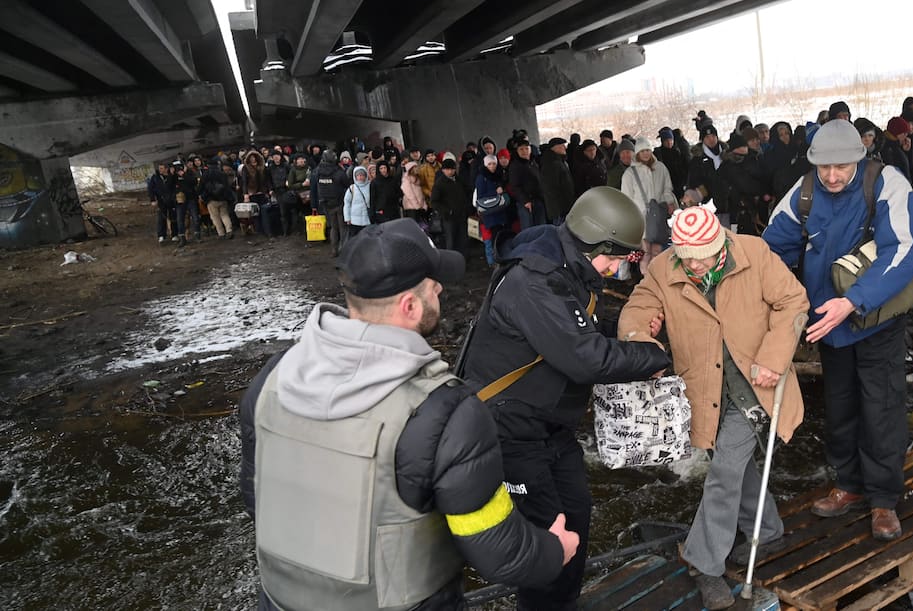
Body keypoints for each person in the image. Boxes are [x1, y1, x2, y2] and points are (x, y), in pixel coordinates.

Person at [238, 219, 577, 611]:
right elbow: (495, 549)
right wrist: (554, 550)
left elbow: (257, 496)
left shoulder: (273, 378)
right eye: (434, 287)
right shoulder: (447, 412)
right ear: (410, 305)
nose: (441, 291)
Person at [457, 187, 672, 610]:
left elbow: (581, 326)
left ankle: (563, 603)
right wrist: (652, 356)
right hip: (508, 430)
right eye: (614, 258)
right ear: (593, 242)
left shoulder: (567, 267)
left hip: (549, 427)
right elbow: (584, 358)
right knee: (545, 538)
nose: (614, 270)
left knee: (576, 514)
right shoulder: (534, 280)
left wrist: (628, 331)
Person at [618, 206, 809, 610]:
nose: (697, 265)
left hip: (755, 384)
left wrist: (774, 359)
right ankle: (770, 530)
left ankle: (702, 561)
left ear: (721, 241)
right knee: (737, 465)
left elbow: (792, 301)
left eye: (704, 256)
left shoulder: (753, 252)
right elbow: (637, 310)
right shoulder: (664, 267)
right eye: (688, 259)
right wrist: (642, 339)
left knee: (724, 470)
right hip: (703, 386)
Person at [762, 119, 913, 542]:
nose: (832, 177)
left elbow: (906, 249)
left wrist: (853, 301)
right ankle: (849, 485)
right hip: (826, 324)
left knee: (882, 407)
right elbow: (769, 250)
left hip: (875, 318)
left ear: (860, 157)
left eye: (842, 168)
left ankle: (884, 499)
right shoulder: (803, 192)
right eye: (824, 168)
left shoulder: (886, 183)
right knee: (839, 407)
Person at [620, 137, 678, 272]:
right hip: (640, 218)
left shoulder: (661, 168)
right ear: (637, 153)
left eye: (648, 150)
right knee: (646, 252)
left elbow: (667, 188)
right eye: (642, 151)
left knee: (657, 251)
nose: (645, 153)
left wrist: (667, 201)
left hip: (658, 215)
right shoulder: (630, 173)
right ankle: (647, 283)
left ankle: (657, 281)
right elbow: (626, 199)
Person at [687, 123, 732, 226]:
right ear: (702, 140)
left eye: (713, 136)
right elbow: (693, 182)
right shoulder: (697, 159)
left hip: (729, 203)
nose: (711, 139)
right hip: (709, 204)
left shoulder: (727, 155)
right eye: (707, 137)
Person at [474, 154, 509, 267]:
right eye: (489, 164)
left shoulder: (498, 175)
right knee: (494, 236)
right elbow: (481, 197)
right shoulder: (481, 177)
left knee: (500, 234)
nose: (492, 166)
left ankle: (500, 256)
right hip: (490, 212)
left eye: (494, 163)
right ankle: (495, 259)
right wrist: (496, 192)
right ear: (485, 164)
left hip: (499, 210)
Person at [314, 149, 351, 256]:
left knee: (333, 228)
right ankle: (344, 250)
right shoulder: (338, 172)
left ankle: (334, 250)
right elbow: (347, 184)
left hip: (326, 203)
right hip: (339, 202)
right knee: (342, 227)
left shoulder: (318, 172)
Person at [431, 159, 469, 254]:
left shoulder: (459, 180)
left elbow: (466, 193)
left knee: (462, 240)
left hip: (461, 215)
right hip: (449, 218)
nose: (450, 171)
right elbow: (434, 202)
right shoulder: (439, 183)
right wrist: (447, 211)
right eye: (447, 169)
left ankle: (463, 260)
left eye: (452, 169)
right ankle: (452, 261)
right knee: (451, 241)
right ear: (443, 170)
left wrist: (466, 208)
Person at [510, 139, 547, 229]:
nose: (524, 151)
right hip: (526, 203)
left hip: (538, 199)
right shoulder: (515, 165)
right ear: (517, 151)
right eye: (521, 149)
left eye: (526, 149)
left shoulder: (533, 162)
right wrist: (525, 201)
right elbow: (515, 186)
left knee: (541, 226)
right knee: (529, 229)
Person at [540, 137, 576, 225]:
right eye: (562, 146)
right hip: (560, 208)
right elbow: (551, 187)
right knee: (560, 232)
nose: (565, 147)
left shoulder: (559, 161)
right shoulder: (551, 163)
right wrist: (562, 206)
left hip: (563, 205)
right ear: (555, 148)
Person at [201, 158, 236, 240]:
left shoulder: (205, 175)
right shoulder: (222, 174)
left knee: (215, 217)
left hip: (211, 200)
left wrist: (202, 196)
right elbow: (227, 186)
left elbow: (200, 187)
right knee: (224, 215)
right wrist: (229, 197)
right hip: (222, 198)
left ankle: (221, 234)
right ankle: (229, 230)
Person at [147, 161, 178, 244]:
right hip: (161, 201)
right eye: (159, 168)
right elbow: (150, 189)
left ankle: (174, 234)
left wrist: (171, 175)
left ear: (166, 169)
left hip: (171, 200)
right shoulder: (155, 177)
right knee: (161, 218)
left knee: (173, 218)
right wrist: (153, 199)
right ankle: (161, 236)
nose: (160, 170)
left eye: (162, 168)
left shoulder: (171, 176)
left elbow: (174, 186)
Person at [172, 159, 201, 245]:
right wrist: (172, 174)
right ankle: (182, 238)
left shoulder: (189, 173)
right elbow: (169, 186)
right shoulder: (173, 176)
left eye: (180, 167)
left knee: (195, 218)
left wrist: (184, 174)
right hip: (179, 201)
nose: (178, 169)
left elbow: (194, 182)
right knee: (180, 219)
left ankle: (197, 236)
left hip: (190, 199)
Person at [655, 127, 689, 199]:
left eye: (671, 140)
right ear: (662, 141)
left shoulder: (678, 152)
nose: (669, 142)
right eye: (666, 140)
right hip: (666, 188)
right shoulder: (658, 154)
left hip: (680, 187)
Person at [282, 153, 310, 236]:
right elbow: (290, 185)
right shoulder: (293, 170)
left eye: (302, 159)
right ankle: (299, 230)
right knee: (298, 213)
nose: (301, 161)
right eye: (299, 159)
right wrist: (302, 184)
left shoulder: (309, 168)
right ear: (296, 161)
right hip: (298, 195)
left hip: (309, 193)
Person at [342, 165, 372, 238]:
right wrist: (347, 218)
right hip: (354, 220)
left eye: (362, 175)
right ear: (355, 177)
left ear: (365, 176)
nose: (360, 177)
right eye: (358, 175)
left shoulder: (370, 186)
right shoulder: (352, 188)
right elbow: (347, 204)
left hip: (367, 219)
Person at [880, 117, 912, 182]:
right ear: (896, 133)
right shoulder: (889, 149)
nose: (906, 136)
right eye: (904, 133)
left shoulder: (896, 146)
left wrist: (906, 152)